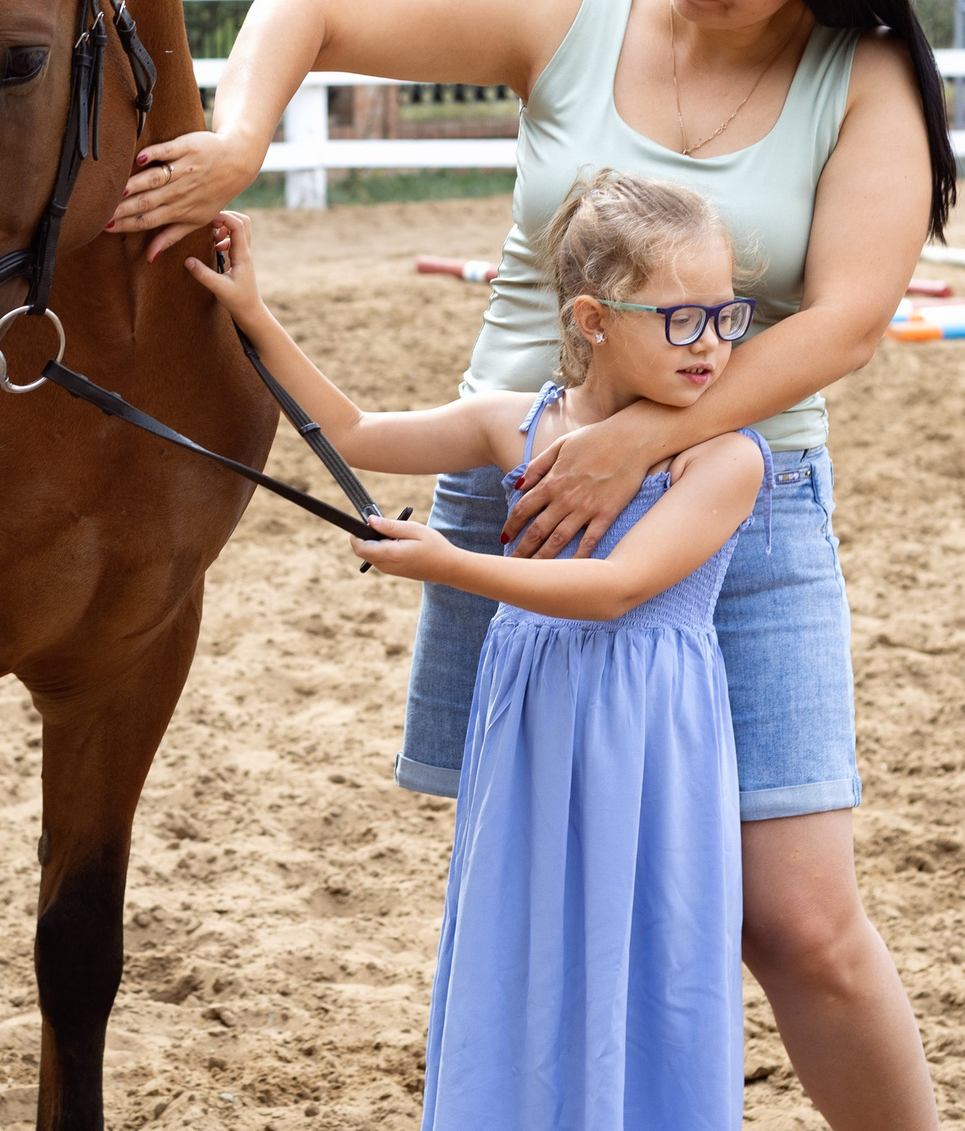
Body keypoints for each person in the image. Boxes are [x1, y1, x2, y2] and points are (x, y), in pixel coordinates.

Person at [114, 0, 950, 1129]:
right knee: (540, 889)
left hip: (743, 505)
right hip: (532, 492)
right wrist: (246, 136)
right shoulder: (574, 12)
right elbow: (311, 9)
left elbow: (850, 316)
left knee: (801, 922)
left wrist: (649, 435)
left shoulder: (861, 78)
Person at [189, 174, 767, 1126]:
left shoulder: (722, 457)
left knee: (651, 946)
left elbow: (617, 589)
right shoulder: (519, 421)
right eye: (681, 319)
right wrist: (253, 309)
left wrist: (449, 564)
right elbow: (358, 432)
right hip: (535, 731)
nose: (712, 343)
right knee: (524, 936)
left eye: (725, 315)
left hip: (650, 747)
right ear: (591, 317)